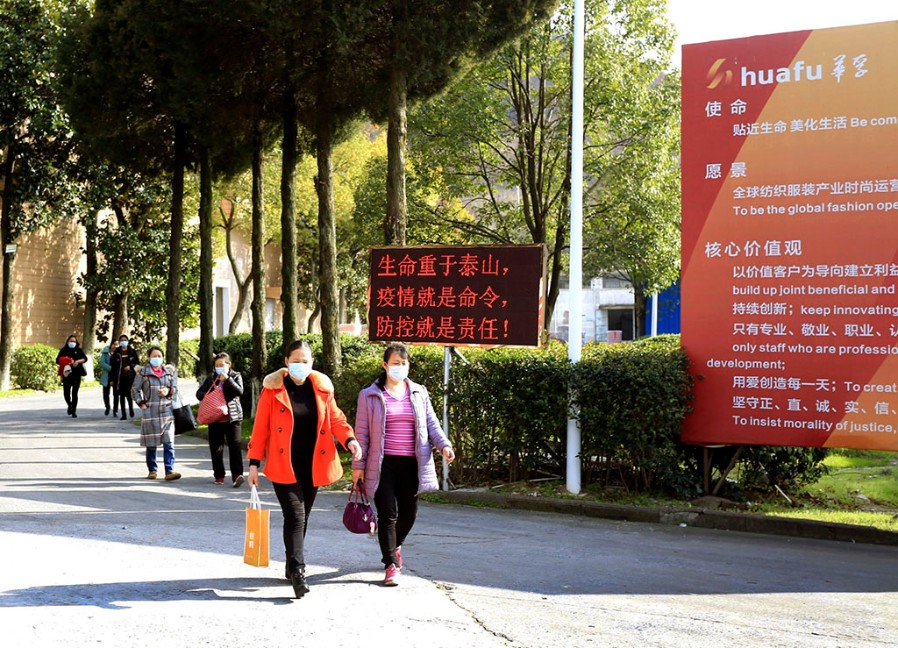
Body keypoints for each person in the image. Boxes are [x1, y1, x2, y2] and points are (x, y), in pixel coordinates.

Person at [247, 339, 362, 599]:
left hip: (314, 464)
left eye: (305, 361)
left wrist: (350, 440)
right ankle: (298, 571)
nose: (301, 365)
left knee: (303, 517)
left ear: (312, 363)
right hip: (283, 464)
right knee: (296, 516)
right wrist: (254, 463)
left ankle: (291, 564)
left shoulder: (322, 388)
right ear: (286, 362)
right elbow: (261, 428)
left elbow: (336, 419)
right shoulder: (272, 390)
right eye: (296, 360)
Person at [352, 342, 455, 587]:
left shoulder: (419, 392)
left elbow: (431, 424)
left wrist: (444, 445)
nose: (399, 367)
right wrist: (358, 466)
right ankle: (391, 565)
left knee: (409, 513)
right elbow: (362, 434)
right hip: (382, 464)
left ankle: (395, 545)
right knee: (388, 514)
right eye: (395, 363)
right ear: (384, 365)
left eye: (404, 363)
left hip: (412, 463)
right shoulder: (369, 395)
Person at [196, 352, 245, 487]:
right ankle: (219, 475)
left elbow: (239, 391)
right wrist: (211, 396)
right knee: (216, 449)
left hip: (232, 418)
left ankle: (237, 476)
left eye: (222, 365)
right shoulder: (212, 378)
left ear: (229, 365)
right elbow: (199, 393)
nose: (219, 368)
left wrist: (227, 380)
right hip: (215, 418)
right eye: (216, 365)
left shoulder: (235, 376)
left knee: (235, 447)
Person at [132, 346, 180, 481]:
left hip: (167, 412)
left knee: (169, 442)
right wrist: (141, 403)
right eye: (154, 356)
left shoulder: (169, 372)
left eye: (159, 356)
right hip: (150, 412)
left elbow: (175, 388)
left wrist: (168, 391)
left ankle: (169, 470)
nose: (157, 358)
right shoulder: (143, 373)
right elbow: (135, 390)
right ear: (149, 358)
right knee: (151, 444)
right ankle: (152, 470)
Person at [56, 335, 88, 417]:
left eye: (74, 341)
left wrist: (77, 361)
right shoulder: (64, 350)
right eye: (71, 341)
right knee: (66, 393)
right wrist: (67, 361)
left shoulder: (78, 350)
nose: (72, 343)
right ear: (67, 342)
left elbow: (85, 358)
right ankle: (69, 405)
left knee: (74, 393)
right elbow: (57, 360)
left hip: (76, 374)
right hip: (67, 374)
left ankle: (74, 411)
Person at [110, 334, 139, 420]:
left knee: (129, 395)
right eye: (122, 340)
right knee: (121, 396)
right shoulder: (117, 352)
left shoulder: (132, 351)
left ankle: (131, 409)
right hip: (119, 378)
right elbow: (112, 367)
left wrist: (131, 367)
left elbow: (137, 364)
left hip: (130, 377)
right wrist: (111, 379)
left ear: (128, 341)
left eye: (125, 340)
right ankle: (123, 414)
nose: (123, 342)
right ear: (119, 342)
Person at [98, 341, 115, 416]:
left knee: (116, 394)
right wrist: (111, 368)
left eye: (117, 345)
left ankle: (115, 409)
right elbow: (102, 363)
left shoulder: (118, 353)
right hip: (106, 375)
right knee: (106, 393)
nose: (115, 346)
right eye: (114, 344)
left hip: (115, 376)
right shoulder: (105, 352)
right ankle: (107, 407)